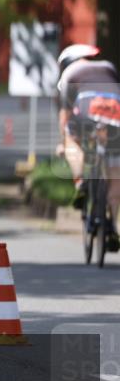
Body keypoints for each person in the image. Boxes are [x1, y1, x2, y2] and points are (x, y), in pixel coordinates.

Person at [56, 43, 120, 250]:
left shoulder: (69, 73)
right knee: (114, 176)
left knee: (71, 137)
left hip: (87, 106)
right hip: (114, 110)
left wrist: (62, 143)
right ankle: (110, 224)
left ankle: (80, 181)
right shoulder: (109, 67)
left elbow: (65, 115)